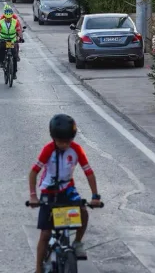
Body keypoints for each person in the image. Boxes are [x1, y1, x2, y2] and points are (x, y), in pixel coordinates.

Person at [29, 114, 101, 273]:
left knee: (83, 211)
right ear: (53, 138)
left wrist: (95, 196)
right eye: (61, 141)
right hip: (49, 191)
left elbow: (88, 172)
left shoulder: (76, 150)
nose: (64, 144)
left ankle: (77, 242)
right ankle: (38, 268)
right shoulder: (48, 150)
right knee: (45, 234)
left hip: (67, 189)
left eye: (68, 141)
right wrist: (33, 196)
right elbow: (33, 172)